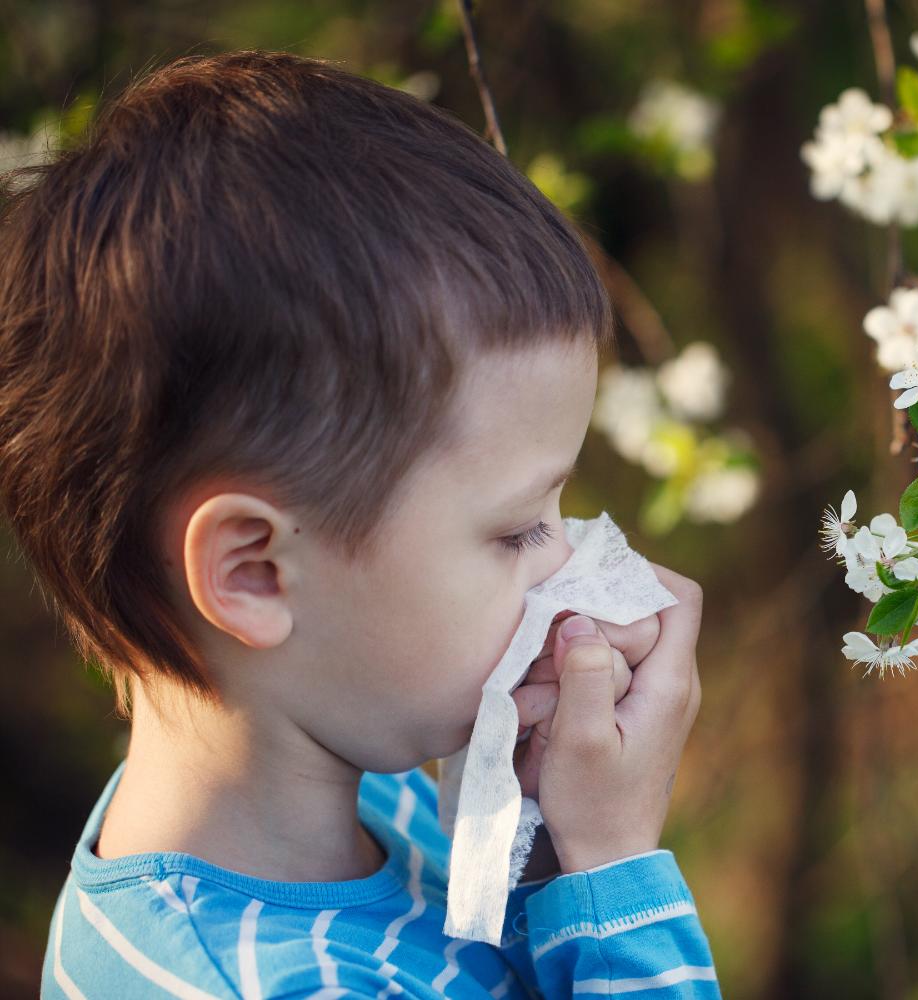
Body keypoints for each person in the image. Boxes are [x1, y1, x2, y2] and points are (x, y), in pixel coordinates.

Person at [0, 49, 719, 998]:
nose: (567, 562)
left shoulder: (365, 780)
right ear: (254, 573)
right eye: (516, 532)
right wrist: (615, 870)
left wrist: (542, 846)